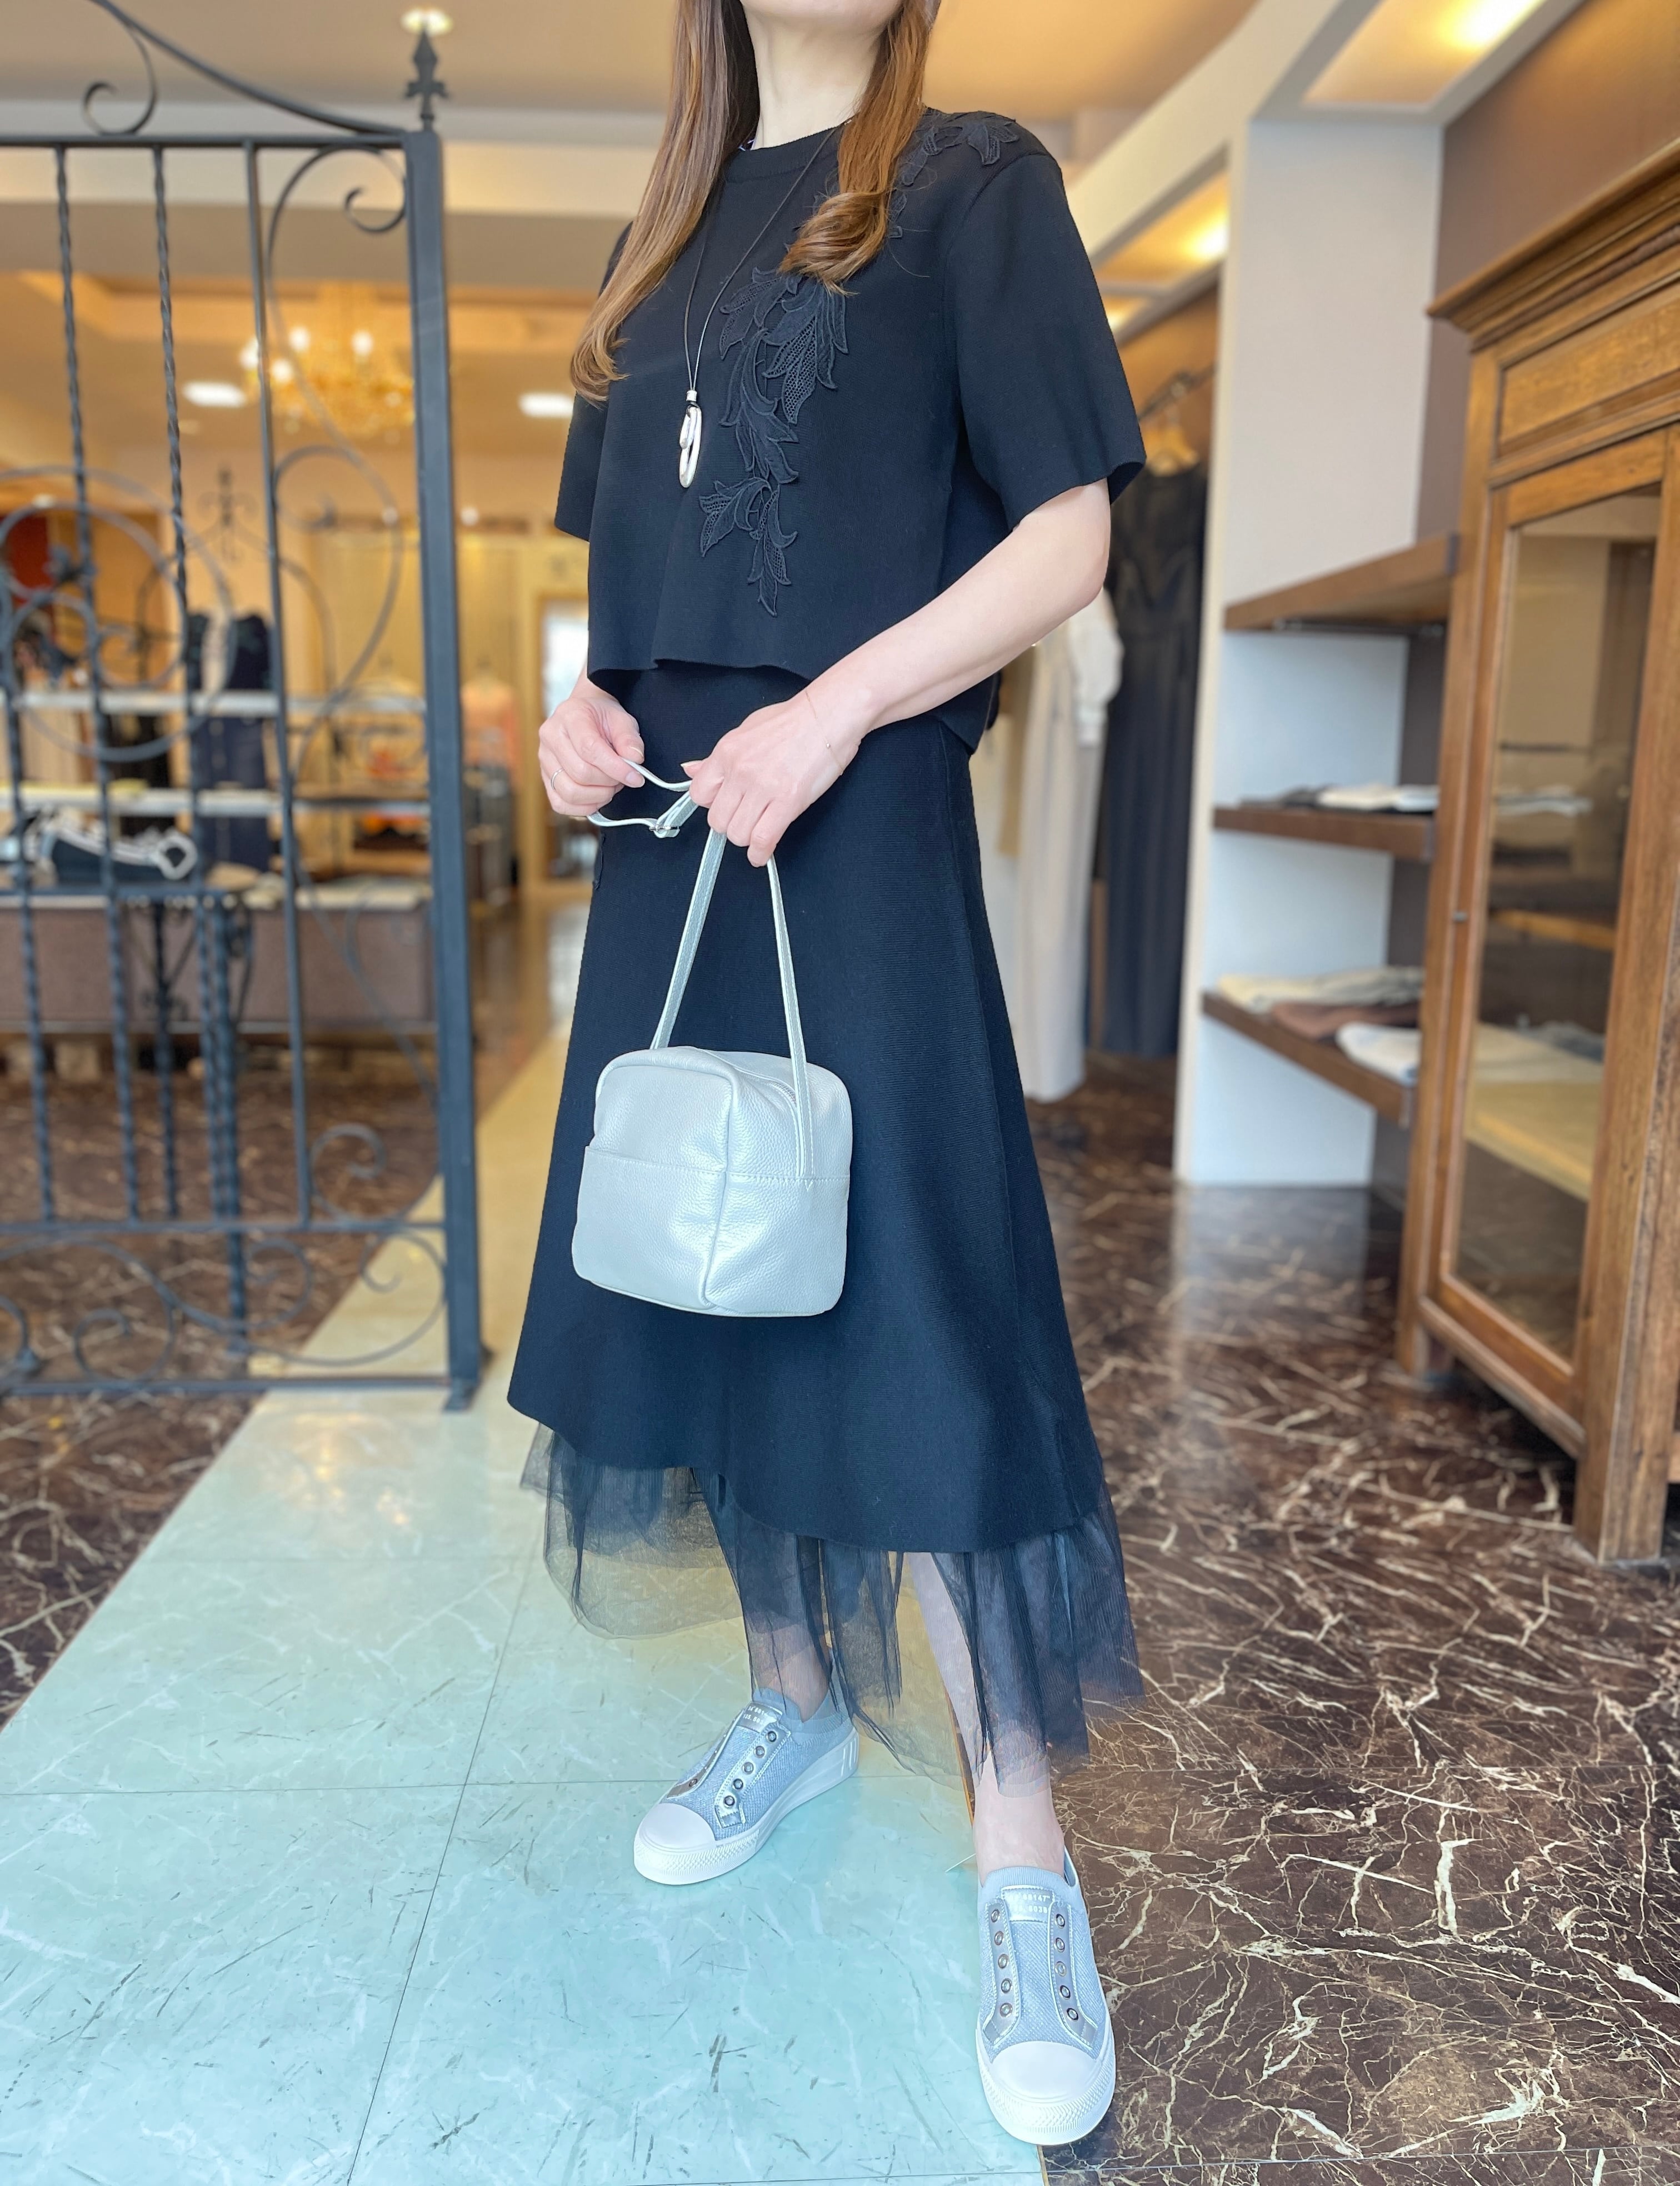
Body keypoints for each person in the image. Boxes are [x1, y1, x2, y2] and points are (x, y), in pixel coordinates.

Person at [511, 0, 1144, 2145]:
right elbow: (625, 587)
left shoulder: (970, 184)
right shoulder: (654, 244)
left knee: (916, 1310)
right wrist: (576, 722)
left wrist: (839, 711)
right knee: (700, 1280)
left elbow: (1065, 538)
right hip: (672, 837)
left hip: (851, 828)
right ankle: (788, 1706)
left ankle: (1022, 1859)